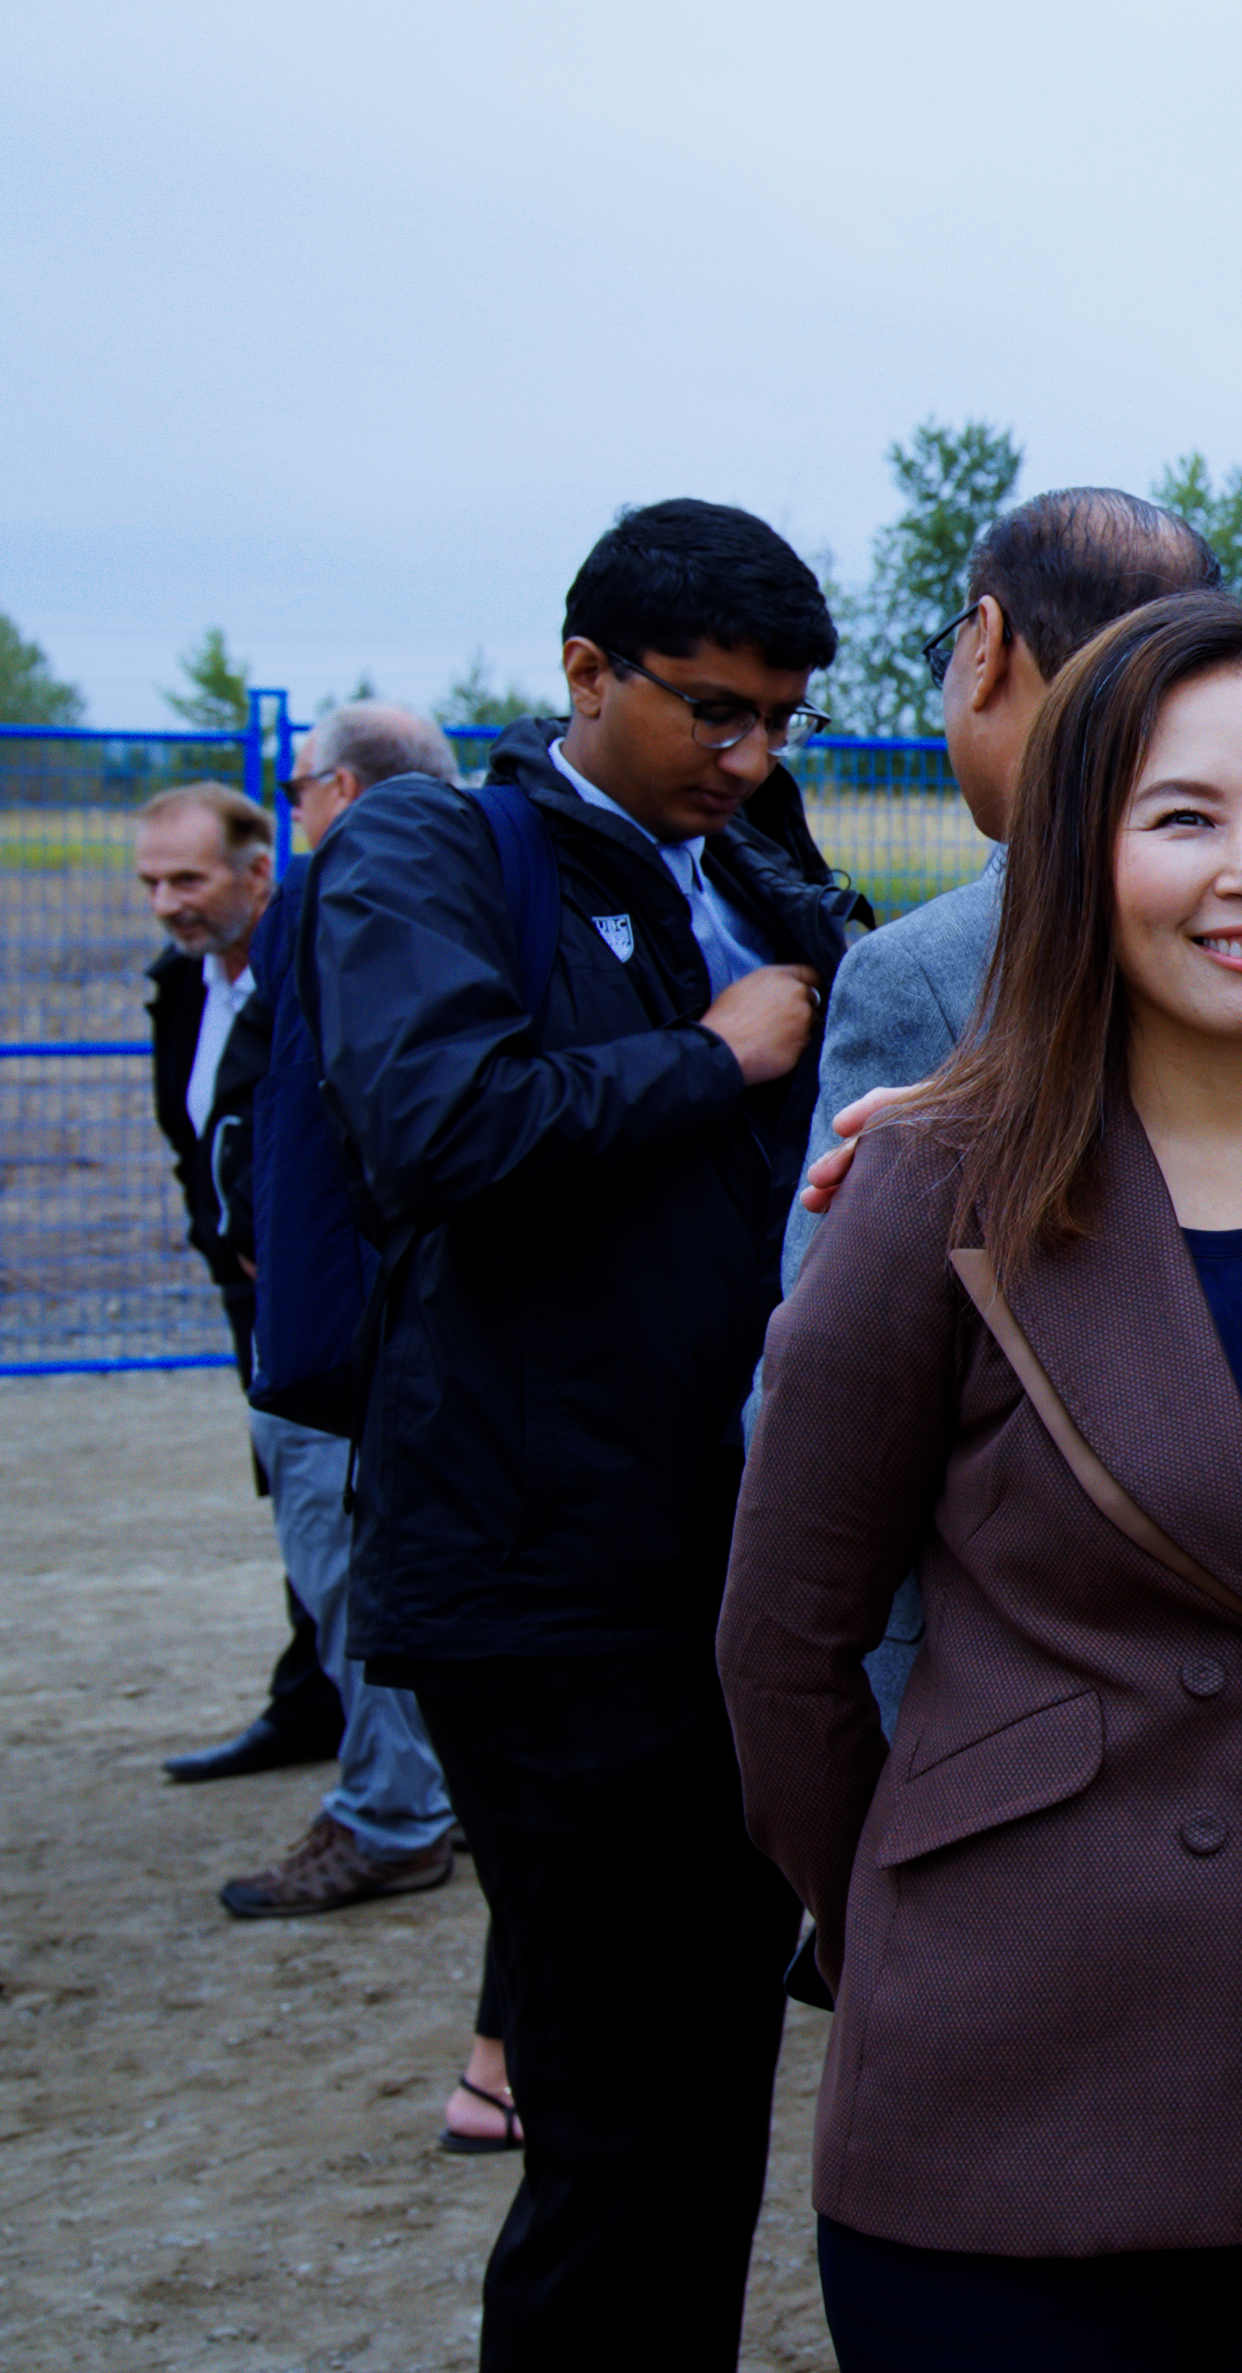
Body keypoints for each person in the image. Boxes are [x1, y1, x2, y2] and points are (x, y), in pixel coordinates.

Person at [726, 592, 1242, 2370]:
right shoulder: (937, 1186)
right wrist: (923, 1905)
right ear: (1080, 853)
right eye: (1184, 817)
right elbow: (784, 1644)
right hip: (1018, 2063)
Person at [316, 498, 857, 2369]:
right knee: (621, 2124)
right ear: (583, 670)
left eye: (778, 719)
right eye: (712, 710)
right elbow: (435, 1126)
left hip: (729, 1573)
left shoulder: (759, 864)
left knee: (706, 2101)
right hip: (546, 1591)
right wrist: (719, 1052)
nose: (749, 755)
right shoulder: (432, 849)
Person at [211, 707, 467, 1921]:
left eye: (300, 787)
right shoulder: (447, 894)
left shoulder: (341, 902)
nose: (294, 810)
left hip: (340, 1326)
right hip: (346, 1313)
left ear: (346, 789)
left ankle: (394, 1812)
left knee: (346, 1558)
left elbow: (336, 1124)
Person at [134, 780, 342, 1788]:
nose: (166, 902)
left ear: (258, 874)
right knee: (293, 1494)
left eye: (188, 878)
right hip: (246, 1287)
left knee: (335, 1502)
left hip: (308, 1286)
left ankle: (389, 1765)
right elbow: (198, 1142)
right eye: (151, 882)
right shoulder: (179, 986)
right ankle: (311, 1702)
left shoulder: (311, 967)